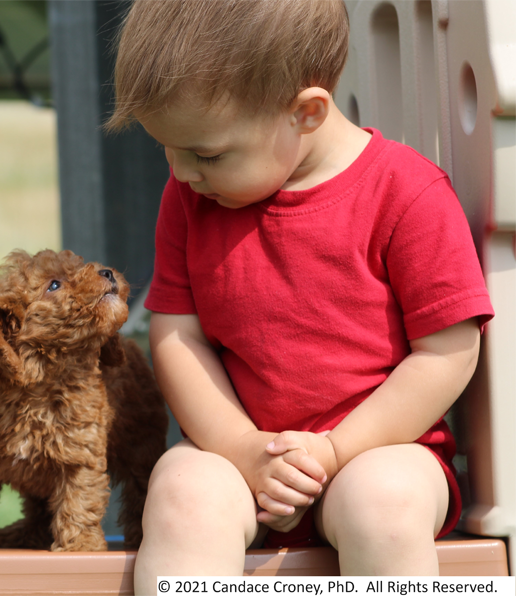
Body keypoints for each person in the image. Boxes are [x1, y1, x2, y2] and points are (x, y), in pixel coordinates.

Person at [107, 0, 494, 590]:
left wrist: (334, 453)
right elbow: (178, 334)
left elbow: (448, 352)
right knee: (183, 494)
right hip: (235, 455)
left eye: (206, 153)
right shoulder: (195, 198)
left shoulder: (405, 193)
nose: (183, 172)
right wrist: (240, 449)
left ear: (307, 113)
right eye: (169, 148)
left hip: (379, 448)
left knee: (382, 504)